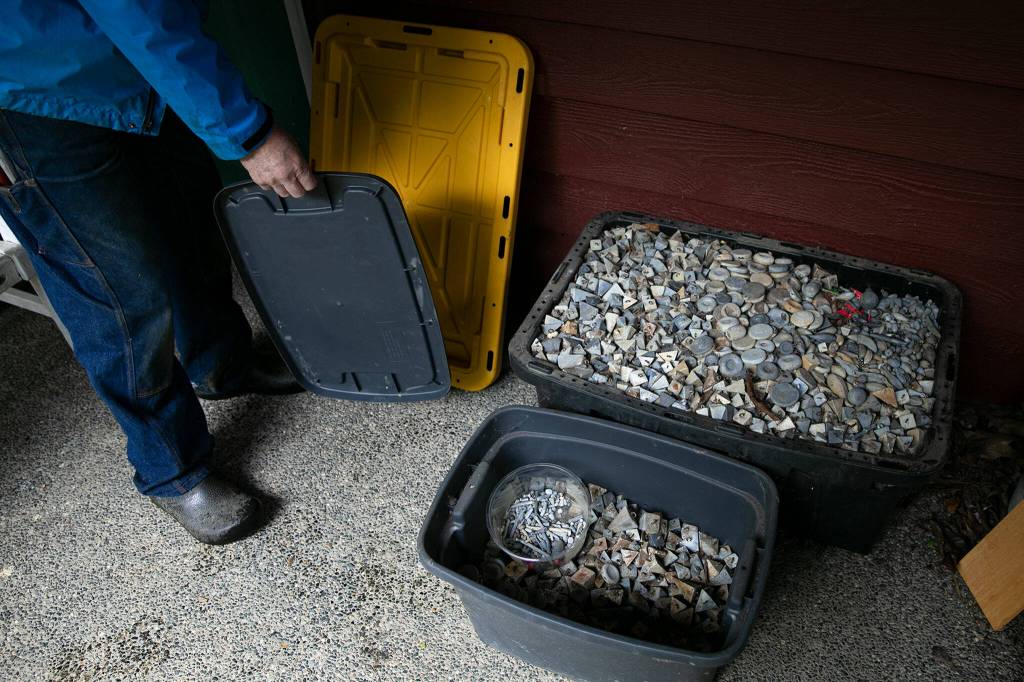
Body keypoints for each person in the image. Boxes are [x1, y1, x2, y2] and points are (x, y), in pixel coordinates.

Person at [0, 0, 317, 544]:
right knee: (118, 294)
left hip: (134, 64)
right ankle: (171, 469)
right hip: (30, 90)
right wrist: (250, 132)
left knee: (187, 226)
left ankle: (221, 364)